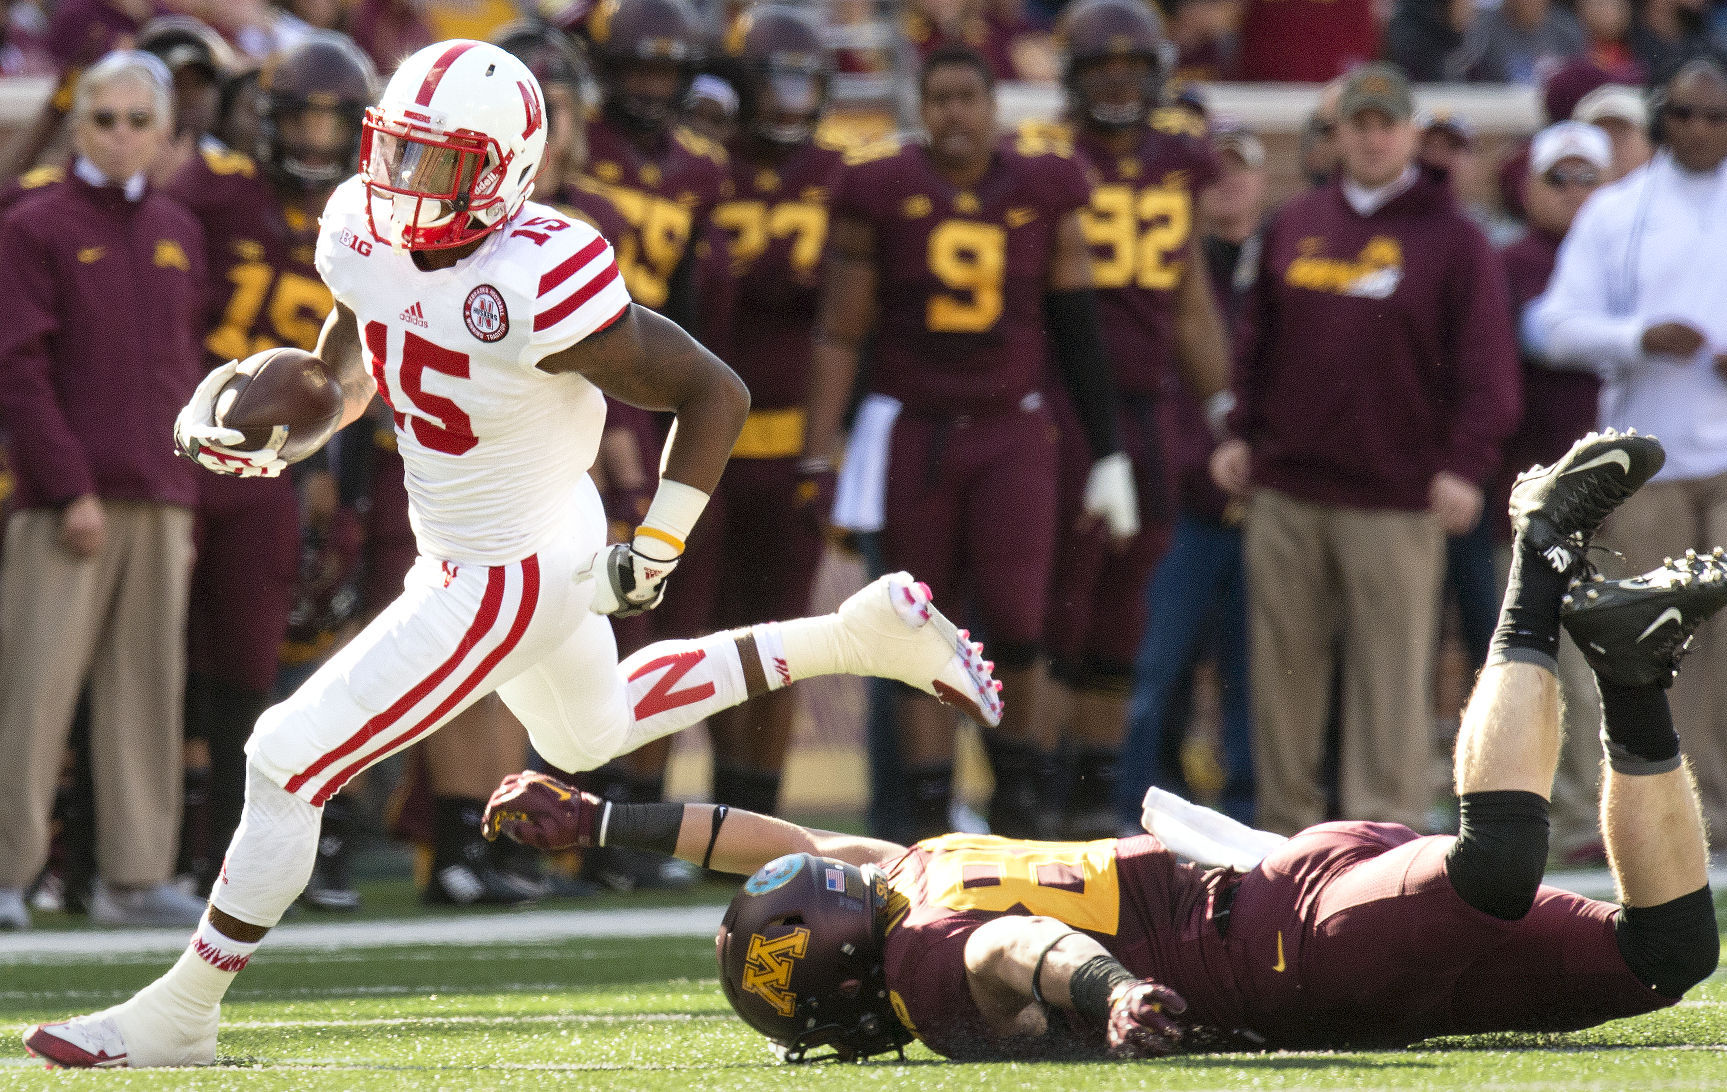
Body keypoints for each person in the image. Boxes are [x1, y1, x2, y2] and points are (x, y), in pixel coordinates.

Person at [20, 38, 1002, 1068]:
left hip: (500, 573)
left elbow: (716, 390)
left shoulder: (536, 274)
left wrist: (658, 542)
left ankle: (179, 1014)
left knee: (281, 758)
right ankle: (856, 634)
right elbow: (352, 370)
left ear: (502, 171)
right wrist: (282, 425)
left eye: (437, 163)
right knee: (592, 732)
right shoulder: (359, 229)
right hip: (516, 536)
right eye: (396, 154)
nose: (402, 185)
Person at [483, 431, 1719, 1060]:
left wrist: (1115, 991)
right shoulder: (901, 873)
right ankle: (1630, 669)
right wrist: (600, 820)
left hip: (1294, 951)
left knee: (1497, 865)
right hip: (1278, 883)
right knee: (1669, 952)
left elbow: (1023, 949)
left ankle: (1537, 562)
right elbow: (764, 841)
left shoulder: (916, 956)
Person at [812, 45, 1133, 842]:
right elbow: (840, 331)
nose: (955, 113)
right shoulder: (879, 187)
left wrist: (1108, 450)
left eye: (968, 97)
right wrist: (823, 448)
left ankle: (1016, 795)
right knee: (920, 626)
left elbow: (1078, 329)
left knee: (1019, 623)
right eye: (940, 98)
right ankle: (925, 807)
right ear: (923, 108)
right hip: (914, 430)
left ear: (995, 107)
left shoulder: (1043, 186)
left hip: (1011, 428)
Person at [1211, 63, 1521, 835]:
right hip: (1287, 489)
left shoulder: (1454, 238)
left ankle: (1382, 838)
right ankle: (1285, 836)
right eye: (1359, 122)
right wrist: (1239, 435)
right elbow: (1254, 343)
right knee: (1283, 676)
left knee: (1389, 682)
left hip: (1395, 497)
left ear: (1411, 133)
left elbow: (1488, 369)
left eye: (1387, 122)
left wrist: (1464, 465)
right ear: (1337, 133)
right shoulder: (1295, 222)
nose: (1373, 136)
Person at [165, 31, 378, 906]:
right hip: (191, 444)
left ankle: (246, 853)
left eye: (336, 125)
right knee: (169, 658)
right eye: (303, 119)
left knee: (268, 666)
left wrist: (330, 467)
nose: (318, 141)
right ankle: (168, 844)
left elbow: (360, 362)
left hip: (290, 461)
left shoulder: (372, 216)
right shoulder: (211, 194)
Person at [0, 51, 208, 931]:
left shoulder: (178, 226)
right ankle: (8, 874)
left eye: (137, 118)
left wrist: (189, 479)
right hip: (66, 502)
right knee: (32, 689)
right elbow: (16, 366)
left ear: (163, 131)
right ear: (78, 125)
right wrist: (66, 484)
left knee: (147, 691)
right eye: (103, 117)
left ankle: (135, 875)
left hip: (162, 492)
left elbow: (187, 365)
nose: (120, 134)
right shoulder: (34, 225)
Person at [1030, 0, 1231, 838]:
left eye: (1131, 67)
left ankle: (1091, 799)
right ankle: (1033, 795)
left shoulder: (1177, 164)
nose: (1118, 83)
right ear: (1074, 79)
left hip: (1149, 404)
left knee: (1125, 608)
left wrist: (1224, 409)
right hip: (1063, 406)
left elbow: (1188, 303)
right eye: (1100, 68)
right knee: (1054, 605)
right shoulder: (1043, 161)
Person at [1528, 53, 1727, 848]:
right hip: (1648, 458)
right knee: (1660, 641)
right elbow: (1550, 324)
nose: (1698, 130)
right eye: (1682, 114)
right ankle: (1682, 808)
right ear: (1658, 119)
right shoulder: (1617, 210)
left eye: (1715, 117)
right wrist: (1635, 337)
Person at [668, 5, 845, 817]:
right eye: (776, 79)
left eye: (805, 81)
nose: (790, 99)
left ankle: (755, 805)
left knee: (777, 637)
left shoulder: (842, 176)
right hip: (697, 439)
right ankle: (658, 803)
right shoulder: (704, 169)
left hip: (786, 437)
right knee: (684, 628)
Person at [1115, 120, 1266, 831]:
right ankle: (1129, 808)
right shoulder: (1166, 269)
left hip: (1266, 500)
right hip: (1180, 498)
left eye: (1238, 170)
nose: (1225, 185)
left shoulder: (1283, 261)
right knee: (1150, 669)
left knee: (1256, 677)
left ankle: (1246, 812)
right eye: (1212, 175)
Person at [1498, 120, 1612, 867]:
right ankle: (1544, 806)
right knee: (1534, 652)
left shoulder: (1626, 256)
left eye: (1586, 179)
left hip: (1623, 479)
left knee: (1612, 651)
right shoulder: (1509, 262)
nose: (1572, 194)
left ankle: (1601, 808)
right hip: (1532, 486)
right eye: (1557, 178)